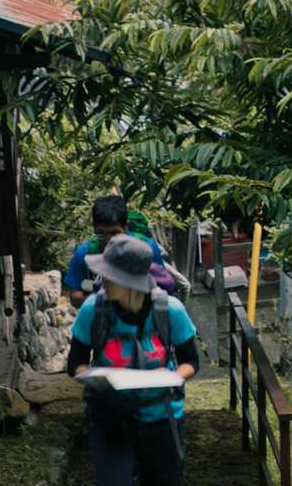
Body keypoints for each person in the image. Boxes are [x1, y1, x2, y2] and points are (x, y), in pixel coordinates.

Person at [67, 234, 199, 486]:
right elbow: (75, 364)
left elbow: (191, 361)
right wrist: (96, 377)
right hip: (109, 416)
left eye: (108, 275)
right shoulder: (92, 310)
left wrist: (171, 377)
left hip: (161, 418)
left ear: (130, 282)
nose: (101, 279)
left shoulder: (170, 310)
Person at [65, 194, 165, 307]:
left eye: (114, 233)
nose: (108, 240)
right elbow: (75, 297)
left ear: (125, 227)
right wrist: (110, 302)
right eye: (101, 233)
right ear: (94, 229)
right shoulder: (85, 253)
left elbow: (162, 291)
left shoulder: (147, 249)